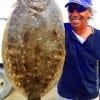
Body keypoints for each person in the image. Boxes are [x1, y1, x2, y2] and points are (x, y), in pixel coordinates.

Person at [57, 0, 100, 100]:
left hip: (91, 96)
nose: (75, 14)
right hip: (65, 95)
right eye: (71, 9)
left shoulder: (98, 36)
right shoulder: (60, 31)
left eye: (80, 9)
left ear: (90, 12)